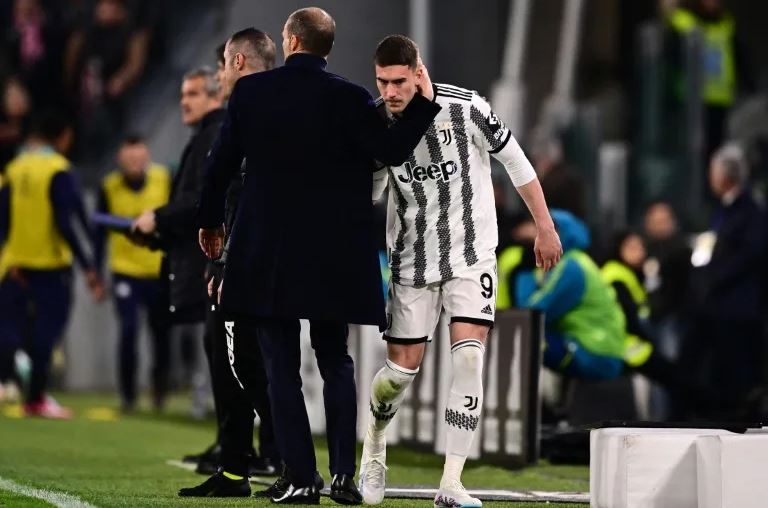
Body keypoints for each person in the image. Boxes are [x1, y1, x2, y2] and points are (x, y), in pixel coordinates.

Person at [196, 8, 441, 505]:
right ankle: (344, 477)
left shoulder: (252, 93)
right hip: (336, 254)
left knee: (281, 365)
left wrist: (211, 223)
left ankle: (302, 478)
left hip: (271, 252)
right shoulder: (351, 98)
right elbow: (392, 150)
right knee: (336, 360)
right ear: (327, 47)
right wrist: (423, 104)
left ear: (290, 41)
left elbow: (220, 165)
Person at [357, 35, 561, 508]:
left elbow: (516, 161)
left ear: (418, 72)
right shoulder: (377, 122)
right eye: (382, 82)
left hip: (472, 255)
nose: (390, 91)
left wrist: (545, 226)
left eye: (398, 81)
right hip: (411, 260)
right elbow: (370, 192)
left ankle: (451, 483)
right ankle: (375, 446)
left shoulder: (466, 108)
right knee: (399, 373)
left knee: (469, 359)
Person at [178, 29, 280, 498]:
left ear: (237, 62)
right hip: (253, 254)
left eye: (222, 65)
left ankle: (285, 459)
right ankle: (239, 465)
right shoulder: (269, 105)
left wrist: (226, 259)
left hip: (253, 258)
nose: (219, 76)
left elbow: (243, 192)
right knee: (237, 361)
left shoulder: (252, 108)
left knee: (247, 364)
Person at [131, 66, 223, 421]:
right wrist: (161, 236)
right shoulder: (204, 136)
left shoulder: (212, 135)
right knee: (209, 344)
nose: (184, 102)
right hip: (197, 259)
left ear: (214, 95)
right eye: (183, 94)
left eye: (193, 94)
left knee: (216, 347)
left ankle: (229, 436)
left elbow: (200, 198)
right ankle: (224, 436)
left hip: (209, 262)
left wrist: (159, 217)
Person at [0, 111, 104, 418]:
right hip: (51, 266)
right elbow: (66, 221)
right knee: (48, 331)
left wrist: (11, 255)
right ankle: (35, 398)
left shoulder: (15, 168)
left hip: (15, 264)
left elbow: (3, 219)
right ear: (65, 136)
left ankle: (8, 379)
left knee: (11, 326)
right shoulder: (58, 169)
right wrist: (88, 266)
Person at [677, 143, 766, 419]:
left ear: (724, 176)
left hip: (737, 309)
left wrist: (714, 277)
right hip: (716, 307)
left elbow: (750, 255)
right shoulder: (722, 210)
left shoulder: (750, 211)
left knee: (736, 376)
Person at [93, 135, 170, 412]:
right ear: (120, 159)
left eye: (139, 158)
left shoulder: (163, 179)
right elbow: (99, 233)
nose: (135, 163)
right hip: (124, 272)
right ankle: (128, 395)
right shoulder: (109, 186)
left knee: (161, 333)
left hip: (158, 269)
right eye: (130, 158)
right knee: (128, 330)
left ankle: (159, 389)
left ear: (147, 157)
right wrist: (95, 273)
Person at [520, 210, 626, 380]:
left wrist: (525, 268)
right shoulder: (575, 261)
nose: (538, 236)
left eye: (548, 230)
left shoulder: (572, 267)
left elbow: (533, 313)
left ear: (564, 233)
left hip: (594, 352)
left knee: (524, 340)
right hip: (601, 348)